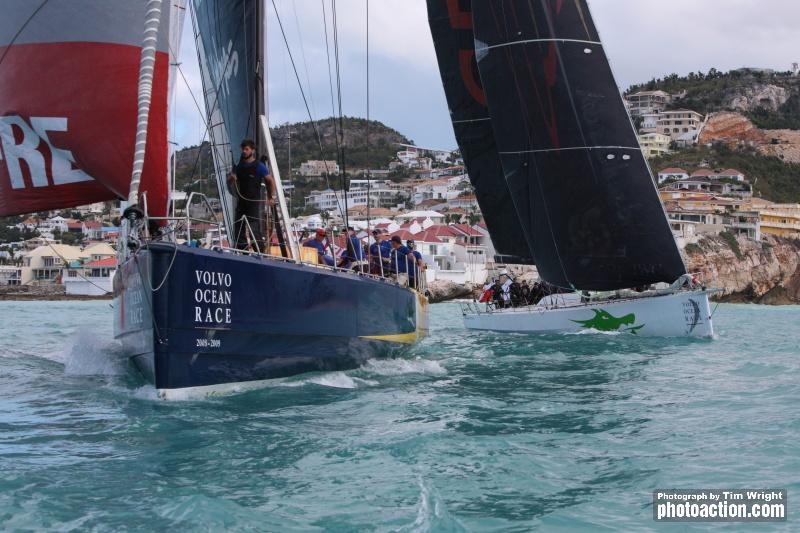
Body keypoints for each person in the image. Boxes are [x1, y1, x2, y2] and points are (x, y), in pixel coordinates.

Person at [227, 139, 275, 251]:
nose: (244, 151)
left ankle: (260, 252)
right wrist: (231, 179)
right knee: (238, 227)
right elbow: (229, 181)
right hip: (241, 202)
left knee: (253, 228)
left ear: (252, 150)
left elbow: (270, 181)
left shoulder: (259, 165)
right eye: (243, 149)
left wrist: (270, 197)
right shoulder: (239, 166)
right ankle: (243, 251)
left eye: (246, 149)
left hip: (253, 202)